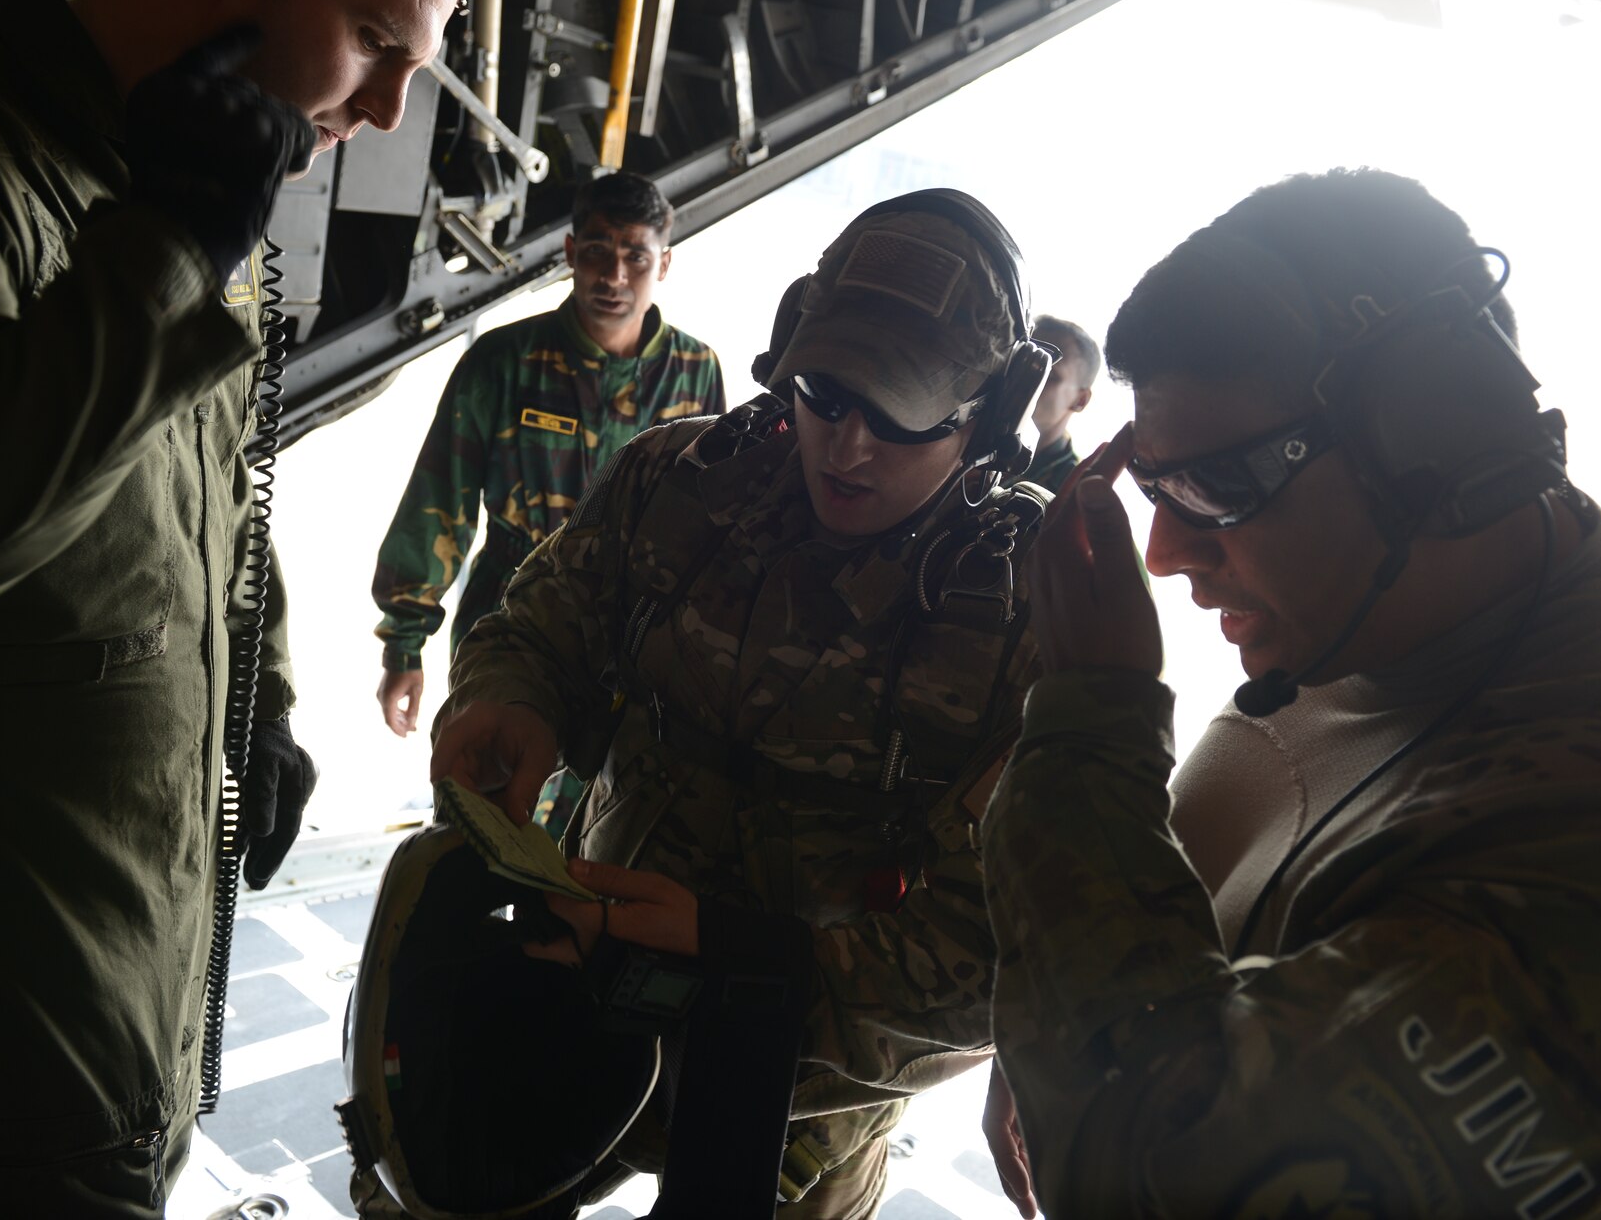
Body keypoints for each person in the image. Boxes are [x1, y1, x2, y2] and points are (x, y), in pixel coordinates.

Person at [0, 0, 468, 1213]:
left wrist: (257, 700)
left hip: (138, 960)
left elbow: (211, 481)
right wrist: (163, 246)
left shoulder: (194, 170)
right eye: (376, 41)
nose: (389, 111)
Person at [978, 168, 1601, 1218]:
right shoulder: (1357, 633)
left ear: (1430, 438)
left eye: (1216, 487)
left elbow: (1166, 1186)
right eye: (1152, 487)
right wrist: (1050, 1012)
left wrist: (1089, 722)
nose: (1168, 552)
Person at [420, 190, 1057, 1217]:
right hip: (583, 987)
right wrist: (511, 701)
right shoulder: (681, 481)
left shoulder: (1034, 609)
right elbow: (540, 630)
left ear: (987, 415)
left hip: (806, 1082)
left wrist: (748, 965)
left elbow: (1013, 950)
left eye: (896, 415)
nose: (846, 446)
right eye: (824, 392)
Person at [369, 172, 725, 798]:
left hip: (637, 629)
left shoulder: (695, 372)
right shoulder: (504, 362)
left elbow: (713, 517)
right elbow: (439, 503)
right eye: (596, 252)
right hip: (512, 617)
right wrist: (404, 643)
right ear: (569, 254)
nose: (614, 277)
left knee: (609, 827)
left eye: (635, 256)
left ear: (663, 263)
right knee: (487, 802)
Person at [1026, 313, 1099, 492]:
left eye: (1048, 374)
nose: (1023, 375)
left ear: (1080, 400)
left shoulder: (1072, 494)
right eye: (1020, 361)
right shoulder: (964, 430)